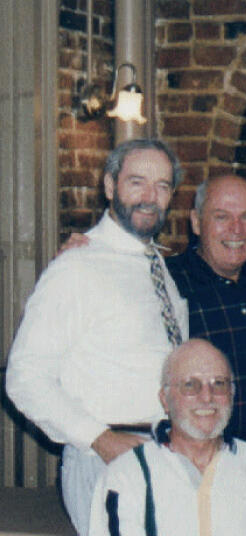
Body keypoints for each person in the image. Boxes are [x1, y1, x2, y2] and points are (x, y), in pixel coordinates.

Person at [5, 139, 189, 535]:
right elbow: (25, 377)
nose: (150, 197)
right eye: (137, 182)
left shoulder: (156, 264)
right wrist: (100, 439)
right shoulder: (78, 267)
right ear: (109, 185)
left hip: (164, 455)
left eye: (162, 186)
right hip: (107, 458)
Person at [88, 339, 246, 536]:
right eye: (190, 385)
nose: (207, 396)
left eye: (218, 383)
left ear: (232, 395)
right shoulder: (126, 476)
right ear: (165, 399)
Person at [166, 175, 246, 444]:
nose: (236, 229)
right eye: (222, 217)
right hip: (197, 452)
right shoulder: (170, 282)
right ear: (196, 222)